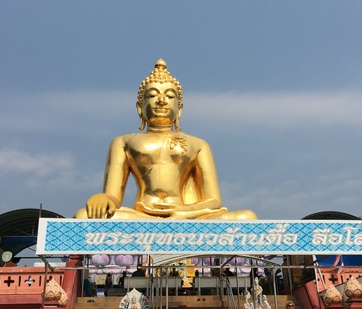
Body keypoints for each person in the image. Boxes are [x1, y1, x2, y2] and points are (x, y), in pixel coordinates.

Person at [73, 59, 257, 220]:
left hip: (187, 215)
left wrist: (184, 211)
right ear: (140, 107)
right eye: (152, 95)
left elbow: (214, 200)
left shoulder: (198, 145)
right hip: (142, 216)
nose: (161, 100)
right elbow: (113, 197)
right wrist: (104, 199)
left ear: (179, 109)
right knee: (83, 216)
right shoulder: (123, 142)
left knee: (246, 217)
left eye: (169, 96)